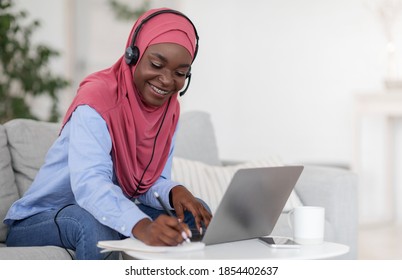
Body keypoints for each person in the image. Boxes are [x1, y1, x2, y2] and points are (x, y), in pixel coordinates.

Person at [3, 7, 212, 260]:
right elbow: (91, 184)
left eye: (180, 73)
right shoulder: (96, 100)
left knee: (197, 215)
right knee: (95, 224)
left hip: (104, 212)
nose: (167, 81)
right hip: (41, 219)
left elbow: (144, 183)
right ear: (133, 55)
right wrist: (141, 226)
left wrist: (174, 191)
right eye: (157, 64)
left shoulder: (169, 111)